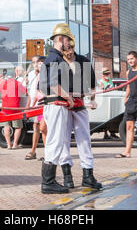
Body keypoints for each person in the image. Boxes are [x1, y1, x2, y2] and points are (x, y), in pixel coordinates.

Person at [39, 23, 101, 194]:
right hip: (59, 104)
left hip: (66, 105)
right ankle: (49, 182)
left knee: (62, 141)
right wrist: (68, 97)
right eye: (68, 40)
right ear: (60, 39)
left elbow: (91, 84)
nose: (70, 45)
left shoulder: (57, 58)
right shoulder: (54, 59)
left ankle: (52, 181)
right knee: (57, 142)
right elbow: (51, 84)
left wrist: (83, 98)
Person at [57, 36, 102, 190]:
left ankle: (88, 175)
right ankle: (67, 176)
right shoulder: (57, 62)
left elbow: (93, 84)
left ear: (74, 47)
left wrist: (94, 99)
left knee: (84, 139)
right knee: (63, 139)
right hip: (63, 105)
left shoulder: (84, 61)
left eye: (70, 48)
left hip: (80, 103)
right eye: (64, 50)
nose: (68, 52)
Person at [0, 67, 28, 150]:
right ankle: (15, 144)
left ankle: (9, 145)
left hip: (5, 108)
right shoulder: (17, 83)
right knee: (18, 127)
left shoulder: (3, 83)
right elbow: (25, 92)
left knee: (6, 127)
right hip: (15, 108)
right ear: (14, 75)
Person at [26, 56, 46, 160]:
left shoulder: (46, 75)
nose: (36, 65)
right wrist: (29, 106)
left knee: (44, 128)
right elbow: (32, 93)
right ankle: (33, 151)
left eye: (38, 63)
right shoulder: (31, 75)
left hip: (44, 104)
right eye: (34, 63)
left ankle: (47, 153)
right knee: (36, 127)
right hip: (37, 104)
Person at [98, 67, 117, 139]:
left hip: (111, 100)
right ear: (102, 75)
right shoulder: (101, 82)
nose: (107, 75)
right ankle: (105, 134)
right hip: (104, 102)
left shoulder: (110, 81)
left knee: (112, 118)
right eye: (106, 74)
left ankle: (112, 133)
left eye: (108, 73)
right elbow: (101, 91)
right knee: (105, 119)